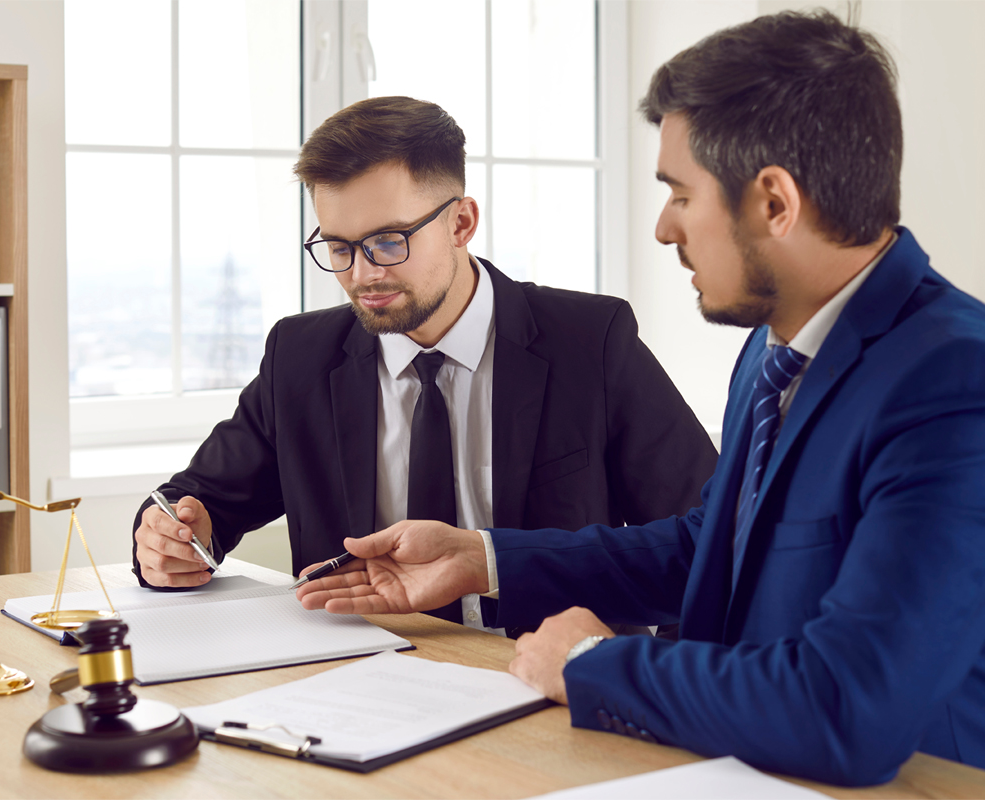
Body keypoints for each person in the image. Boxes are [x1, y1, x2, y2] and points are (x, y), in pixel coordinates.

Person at [295, 10, 985, 786]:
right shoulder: (777, 346)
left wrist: (597, 664)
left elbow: (848, 707)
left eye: (680, 195)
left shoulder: (955, 383)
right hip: (738, 766)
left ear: (775, 203)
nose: (662, 229)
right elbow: (709, 549)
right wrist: (479, 558)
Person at [131, 96, 717, 633]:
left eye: (388, 242)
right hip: (360, 680)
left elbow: (711, 538)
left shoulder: (591, 341)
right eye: (338, 248)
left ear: (461, 222)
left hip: (543, 679)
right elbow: (201, 500)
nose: (361, 275)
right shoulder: (300, 356)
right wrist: (172, 538)